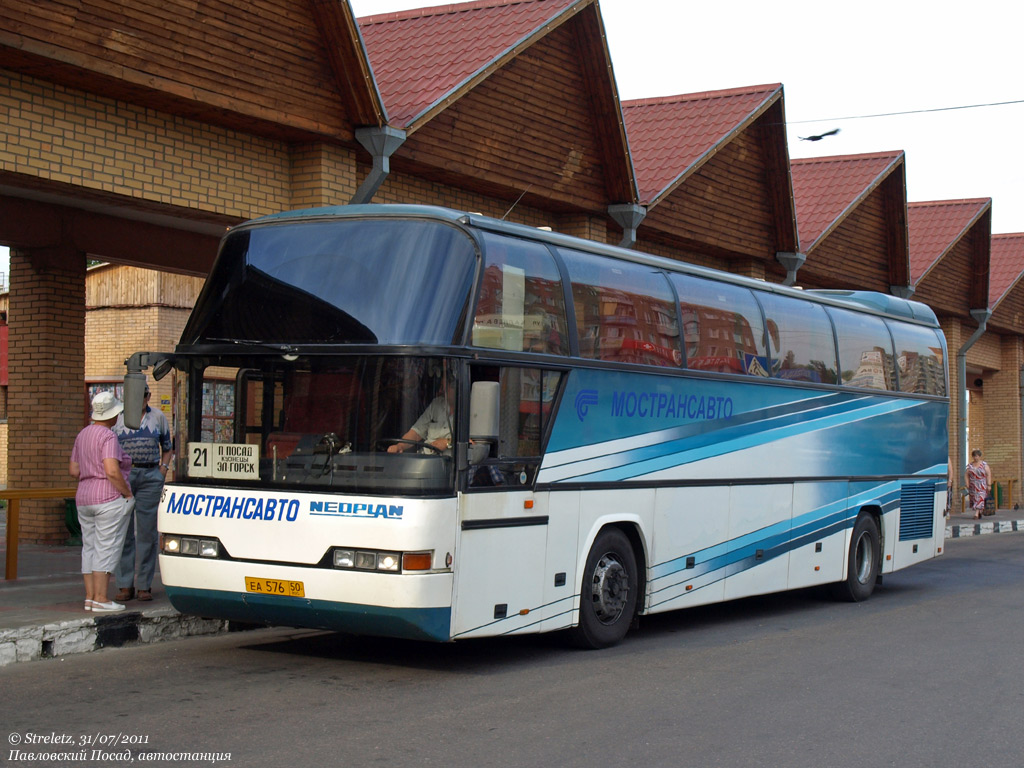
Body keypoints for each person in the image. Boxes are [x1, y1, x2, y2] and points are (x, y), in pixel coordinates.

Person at [70, 391, 135, 613]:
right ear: (111, 415)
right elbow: (111, 470)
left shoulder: (82, 434)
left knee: (89, 547)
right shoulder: (108, 437)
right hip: (108, 498)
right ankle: (101, 598)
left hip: (84, 497)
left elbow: (74, 469)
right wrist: (127, 494)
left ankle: (89, 597)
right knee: (107, 547)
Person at [113, 383, 173, 602]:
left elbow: (168, 447)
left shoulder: (157, 417)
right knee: (123, 532)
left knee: (147, 533)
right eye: (139, 395)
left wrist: (162, 471)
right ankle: (124, 584)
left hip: (150, 476)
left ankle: (144, 585)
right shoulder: (118, 418)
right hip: (125, 476)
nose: (144, 399)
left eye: (146, 395)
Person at [387, 376, 455, 454]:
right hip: (425, 461)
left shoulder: (469, 410)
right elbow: (416, 432)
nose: (440, 391)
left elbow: (471, 441)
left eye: (444, 387)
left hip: (451, 463)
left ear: (455, 387)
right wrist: (400, 446)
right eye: (441, 387)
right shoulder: (436, 404)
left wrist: (448, 442)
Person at [966, 449, 993, 520]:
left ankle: (976, 514)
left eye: (977, 456)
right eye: (974, 456)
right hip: (973, 485)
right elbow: (966, 475)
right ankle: (979, 511)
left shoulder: (984, 465)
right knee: (974, 499)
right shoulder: (970, 466)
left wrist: (989, 485)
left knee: (980, 498)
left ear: (980, 456)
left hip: (982, 485)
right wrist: (967, 483)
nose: (975, 458)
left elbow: (988, 474)